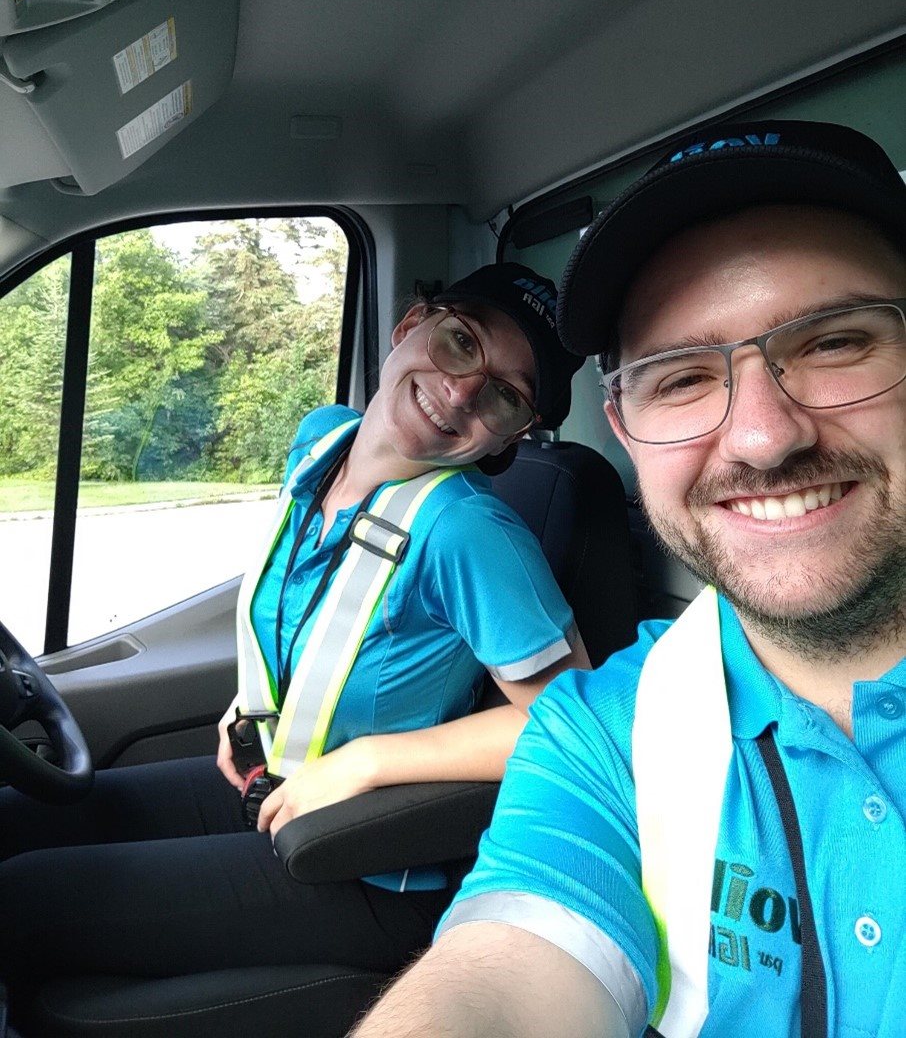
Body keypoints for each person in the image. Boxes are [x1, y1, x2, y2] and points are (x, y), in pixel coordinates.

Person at [353, 120, 906, 1038]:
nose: (766, 435)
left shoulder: (465, 534)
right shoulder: (606, 735)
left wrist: (365, 765)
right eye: (683, 377)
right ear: (622, 420)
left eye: (835, 343)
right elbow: (503, 983)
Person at [0, 261, 588, 1024]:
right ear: (411, 327)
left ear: (515, 430)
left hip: (369, 862)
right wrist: (252, 700)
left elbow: (569, 722)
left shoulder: (471, 534)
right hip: (275, 785)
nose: (465, 389)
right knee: (10, 817)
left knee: (22, 899)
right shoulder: (322, 441)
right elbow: (315, 609)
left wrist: (364, 762)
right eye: (458, 342)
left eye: (507, 393)